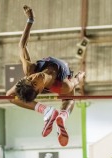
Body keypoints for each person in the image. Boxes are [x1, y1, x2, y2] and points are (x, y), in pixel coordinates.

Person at [6, 5, 85, 147]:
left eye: (30, 79)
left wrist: (30, 20)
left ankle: (50, 112)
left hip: (49, 81)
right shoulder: (63, 85)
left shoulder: (30, 70)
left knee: (9, 95)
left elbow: (22, 46)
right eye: (34, 83)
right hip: (61, 82)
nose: (35, 78)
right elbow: (75, 81)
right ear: (39, 90)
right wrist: (80, 76)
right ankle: (61, 115)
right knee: (70, 98)